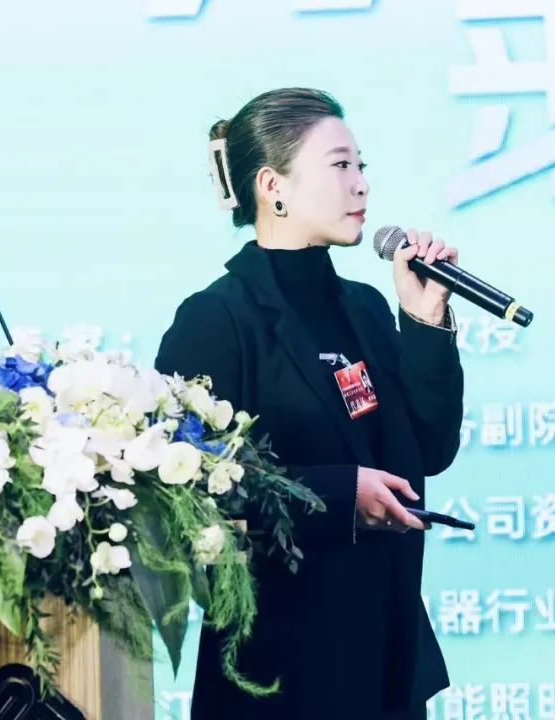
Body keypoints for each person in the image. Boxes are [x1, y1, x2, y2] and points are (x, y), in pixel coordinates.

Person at [154, 88, 465, 719]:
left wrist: (425, 321)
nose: (361, 185)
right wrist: (340, 494)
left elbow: (430, 451)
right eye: (340, 165)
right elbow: (186, 489)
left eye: (361, 166)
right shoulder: (217, 319)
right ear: (274, 186)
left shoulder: (366, 308)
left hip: (384, 654)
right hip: (279, 668)